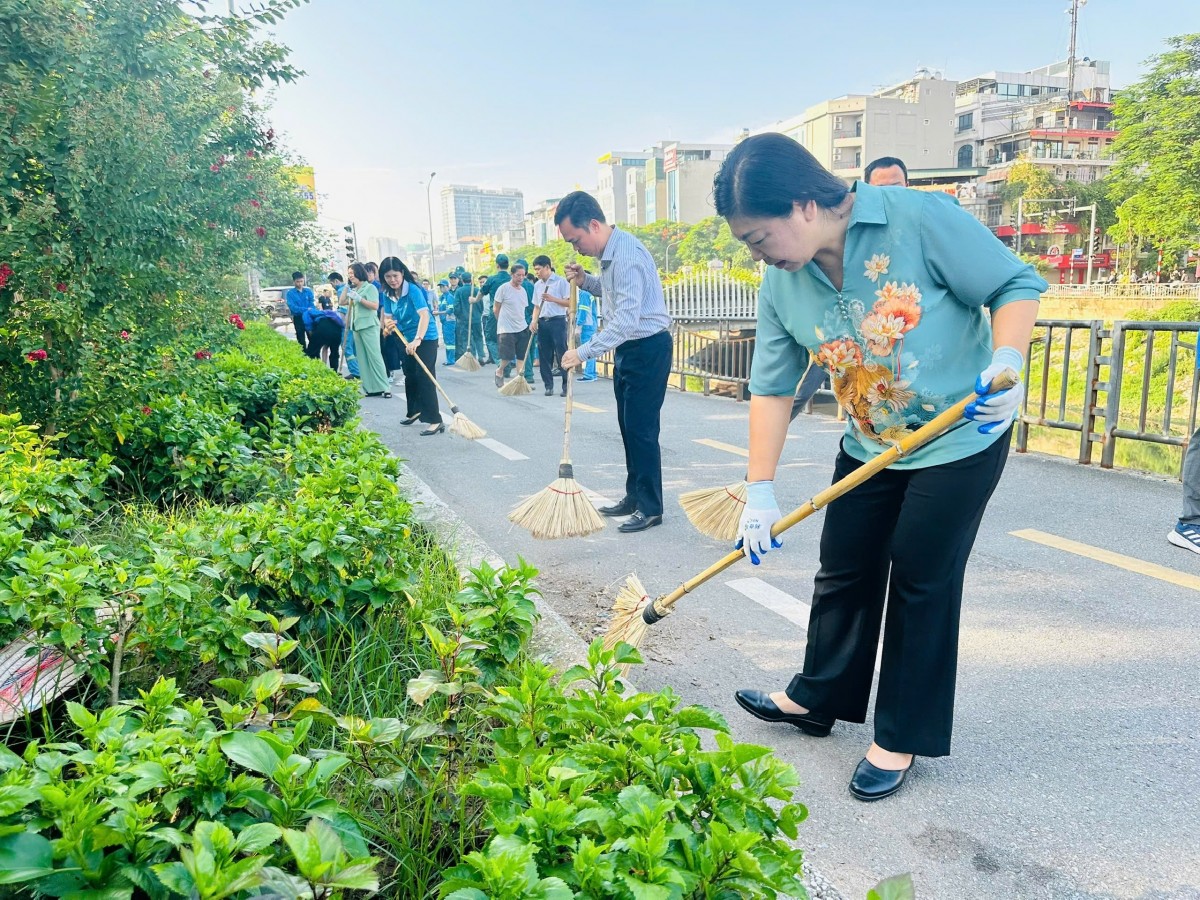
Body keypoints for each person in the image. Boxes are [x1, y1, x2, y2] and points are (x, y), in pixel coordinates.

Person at [712, 133, 1045, 801]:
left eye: (758, 237)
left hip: (960, 435)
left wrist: (1007, 361)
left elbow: (1014, 283)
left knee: (920, 574)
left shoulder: (920, 218)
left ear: (804, 205)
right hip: (871, 442)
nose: (758, 254)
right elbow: (772, 388)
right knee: (844, 565)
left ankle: (900, 735)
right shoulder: (782, 283)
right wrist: (759, 488)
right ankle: (819, 697)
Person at [557, 191, 672, 535]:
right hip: (629, 349)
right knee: (628, 426)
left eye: (575, 240)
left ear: (593, 225)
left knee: (642, 430)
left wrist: (582, 352)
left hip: (647, 348)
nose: (576, 248)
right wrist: (584, 281)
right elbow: (611, 295)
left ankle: (650, 507)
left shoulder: (625, 256)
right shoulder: (609, 255)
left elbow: (624, 320)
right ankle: (633, 496)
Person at [380, 257, 443, 435]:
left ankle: (435, 420)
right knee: (410, 375)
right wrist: (388, 326)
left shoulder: (413, 290)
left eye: (395, 275)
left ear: (402, 273)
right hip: (405, 337)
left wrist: (417, 339)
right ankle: (415, 410)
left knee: (425, 376)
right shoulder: (387, 293)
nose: (392, 280)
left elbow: (424, 315)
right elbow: (388, 318)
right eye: (388, 276)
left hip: (425, 337)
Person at [345, 262, 391, 398]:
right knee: (362, 358)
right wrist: (347, 287)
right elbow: (342, 301)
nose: (350, 276)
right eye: (349, 274)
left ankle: (385, 387)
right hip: (357, 326)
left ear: (359, 273)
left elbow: (375, 306)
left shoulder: (370, 288)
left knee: (374, 356)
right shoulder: (354, 289)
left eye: (352, 273)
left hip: (369, 325)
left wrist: (359, 299)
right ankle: (370, 387)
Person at [530, 255, 571, 396]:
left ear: (547, 267)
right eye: (535, 270)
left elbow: (569, 302)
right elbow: (536, 306)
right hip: (543, 322)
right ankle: (548, 385)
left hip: (557, 321)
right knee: (544, 355)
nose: (537, 272)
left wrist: (552, 299)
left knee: (562, 354)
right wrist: (534, 321)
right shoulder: (537, 285)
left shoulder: (561, 282)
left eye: (539, 269)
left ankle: (566, 386)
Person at [492, 261, 532, 389]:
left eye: (523, 275)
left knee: (521, 356)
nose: (521, 278)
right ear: (512, 274)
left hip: (522, 327)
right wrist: (501, 322)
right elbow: (496, 308)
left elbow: (522, 309)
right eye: (518, 275)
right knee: (507, 357)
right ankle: (500, 370)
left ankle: (519, 380)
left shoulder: (523, 291)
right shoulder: (503, 289)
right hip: (506, 328)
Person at [481, 254, 511, 366]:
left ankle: (500, 362)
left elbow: (482, 292)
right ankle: (508, 363)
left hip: (495, 313)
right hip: (510, 313)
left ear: (497, 265)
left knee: (490, 338)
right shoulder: (512, 279)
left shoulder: (492, 279)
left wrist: (474, 300)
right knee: (507, 339)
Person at [329, 271, 359, 379]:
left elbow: (343, 310)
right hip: (354, 322)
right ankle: (359, 370)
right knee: (354, 348)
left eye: (332, 283)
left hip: (347, 324)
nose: (332, 286)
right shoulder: (350, 289)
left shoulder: (341, 290)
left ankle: (355, 371)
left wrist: (341, 323)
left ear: (336, 281)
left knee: (347, 347)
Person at [302, 296, 344, 372]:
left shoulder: (307, 312)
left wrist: (311, 334)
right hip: (337, 330)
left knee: (311, 351)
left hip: (322, 328)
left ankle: (312, 371)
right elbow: (341, 324)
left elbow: (307, 323)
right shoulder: (330, 313)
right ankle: (334, 371)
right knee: (334, 352)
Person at [515, 258, 537, 383]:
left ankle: (527, 374)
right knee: (531, 347)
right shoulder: (532, 286)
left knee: (523, 349)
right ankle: (529, 371)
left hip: (521, 320)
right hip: (532, 319)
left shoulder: (517, 286)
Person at [285, 271, 315, 351]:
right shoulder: (290, 293)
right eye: (297, 282)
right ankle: (304, 355)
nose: (300, 283)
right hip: (298, 318)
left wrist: (311, 311)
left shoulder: (308, 291)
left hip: (309, 317)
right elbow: (293, 308)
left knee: (312, 338)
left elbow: (312, 303)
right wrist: (306, 309)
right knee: (301, 339)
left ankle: (313, 355)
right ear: (294, 282)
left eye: (301, 281)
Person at [574, 287, 598, 382]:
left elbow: (583, 311)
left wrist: (579, 326)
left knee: (588, 350)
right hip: (591, 324)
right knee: (591, 349)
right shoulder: (588, 294)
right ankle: (591, 373)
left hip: (587, 325)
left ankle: (589, 374)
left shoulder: (583, 294)